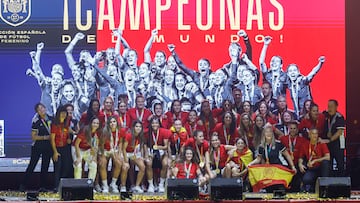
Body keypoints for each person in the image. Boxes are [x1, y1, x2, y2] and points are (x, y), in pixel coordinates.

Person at [248, 125, 297, 191]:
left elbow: (287, 155)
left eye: (270, 132)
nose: (268, 134)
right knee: (269, 188)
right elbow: (258, 159)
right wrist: (250, 164)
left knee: (279, 188)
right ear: (263, 134)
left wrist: (293, 166)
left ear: (273, 134)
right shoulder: (261, 147)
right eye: (266, 132)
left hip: (280, 168)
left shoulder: (278, 144)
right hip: (270, 170)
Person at [20, 103, 53, 191]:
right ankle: (23, 185)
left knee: (45, 166)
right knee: (32, 165)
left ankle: (42, 187)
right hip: (37, 147)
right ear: (37, 112)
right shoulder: (36, 121)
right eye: (39, 109)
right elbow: (33, 137)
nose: (42, 109)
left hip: (48, 147)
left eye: (43, 107)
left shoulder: (51, 118)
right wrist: (45, 137)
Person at [98, 116, 125, 193]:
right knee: (103, 164)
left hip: (115, 149)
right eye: (110, 122)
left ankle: (113, 184)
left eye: (114, 122)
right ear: (108, 124)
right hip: (105, 150)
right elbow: (101, 145)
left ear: (117, 123)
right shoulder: (105, 131)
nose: (112, 123)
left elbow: (120, 143)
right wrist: (102, 156)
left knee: (119, 163)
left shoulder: (121, 131)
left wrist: (119, 153)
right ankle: (105, 185)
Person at [298, 128, 330, 192]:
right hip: (312, 168)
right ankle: (311, 188)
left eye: (316, 134)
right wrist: (300, 164)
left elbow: (328, 157)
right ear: (309, 135)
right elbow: (301, 157)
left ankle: (325, 187)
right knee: (306, 180)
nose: (315, 135)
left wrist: (315, 160)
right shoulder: (305, 144)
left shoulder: (321, 143)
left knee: (325, 162)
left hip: (321, 168)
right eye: (312, 133)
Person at [279, 121, 307, 192]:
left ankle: (297, 189)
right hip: (286, 163)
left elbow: (303, 153)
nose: (293, 130)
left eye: (294, 128)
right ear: (288, 129)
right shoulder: (283, 139)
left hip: (297, 163)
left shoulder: (302, 140)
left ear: (297, 130)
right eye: (291, 128)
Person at [144, 117, 171, 193]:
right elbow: (145, 145)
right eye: (153, 123)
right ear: (150, 124)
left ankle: (161, 184)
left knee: (165, 164)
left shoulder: (164, 132)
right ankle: (151, 185)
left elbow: (166, 146)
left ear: (159, 124)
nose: (154, 125)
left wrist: (158, 147)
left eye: (156, 123)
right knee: (148, 163)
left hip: (162, 151)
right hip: (151, 151)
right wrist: (146, 155)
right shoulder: (147, 132)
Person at [50, 106, 73, 191]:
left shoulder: (66, 124)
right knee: (58, 167)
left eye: (65, 113)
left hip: (65, 149)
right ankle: (56, 187)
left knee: (67, 166)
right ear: (58, 114)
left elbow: (70, 132)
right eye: (62, 113)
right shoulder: (54, 124)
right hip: (56, 149)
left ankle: (62, 185)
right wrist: (55, 152)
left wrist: (69, 139)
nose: (63, 115)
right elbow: (52, 139)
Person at [72, 116, 101, 181]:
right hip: (77, 148)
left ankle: (90, 185)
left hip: (87, 149)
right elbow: (76, 144)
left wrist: (94, 157)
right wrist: (79, 157)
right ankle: (77, 185)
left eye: (97, 123)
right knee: (78, 165)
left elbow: (96, 146)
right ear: (90, 123)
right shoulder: (85, 130)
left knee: (93, 165)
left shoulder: (97, 133)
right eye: (94, 123)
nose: (95, 125)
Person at [322, 99, 346, 177]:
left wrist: (330, 140)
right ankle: (329, 182)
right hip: (328, 144)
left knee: (340, 163)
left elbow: (339, 132)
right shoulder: (326, 116)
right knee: (329, 163)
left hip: (338, 144)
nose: (330, 108)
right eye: (328, 106)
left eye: (332, 106)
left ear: (336, 107)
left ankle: (342, 182)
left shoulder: (339, 117)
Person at [123, 120, 146, 193]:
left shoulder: (141, 136)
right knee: (126, 166)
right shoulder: (129, 135)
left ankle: (137, 186)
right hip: (125, 153)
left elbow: (141, 147)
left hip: (133, 154)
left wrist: (142, 156)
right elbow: (123, 149)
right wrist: (126, 160)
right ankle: (123, 186)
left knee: (142, 166)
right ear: (133, 127)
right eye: (136, 126)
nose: (138, 128)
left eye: (140, 127)